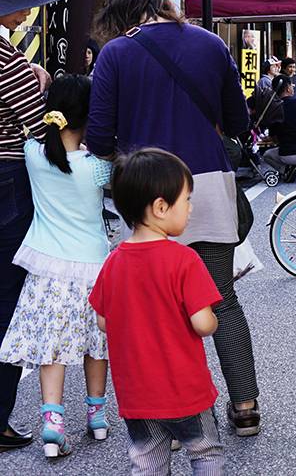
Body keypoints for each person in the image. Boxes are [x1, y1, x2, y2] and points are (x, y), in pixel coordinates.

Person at [88, 0, 261, 436]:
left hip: (146, 191)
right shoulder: (209, 44)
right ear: (160, 2)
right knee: (220, 300)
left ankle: (172, 417)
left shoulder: (115, 55)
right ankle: (244, 405)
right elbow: (238, 122)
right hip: (206, 182)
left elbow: (99, 136)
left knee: (154, 307)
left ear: (119, 13)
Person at [90, 149, 225, 473]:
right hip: (184, 389)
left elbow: (103, 321)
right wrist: (213, 317)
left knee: (147, 459)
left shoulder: (113, 263)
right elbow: (203, 323)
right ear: (161, 207)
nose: (190, 209)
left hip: (137, 393)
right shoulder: (184, 261)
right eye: (186, 200)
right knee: (205, 452)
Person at [0, 75, 112, 460]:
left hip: (47, 267)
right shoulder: (97, 167)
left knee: (53, 346)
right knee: (95, 343)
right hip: (94, 265)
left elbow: (30, 135)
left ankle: (53, 426)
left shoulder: (33, 155)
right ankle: (97, 417)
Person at [0, 0, 61, 452]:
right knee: (5, 299)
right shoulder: (6, 60)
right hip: (6, 183)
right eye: (20, 5)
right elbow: (40, 128)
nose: (27, 13)